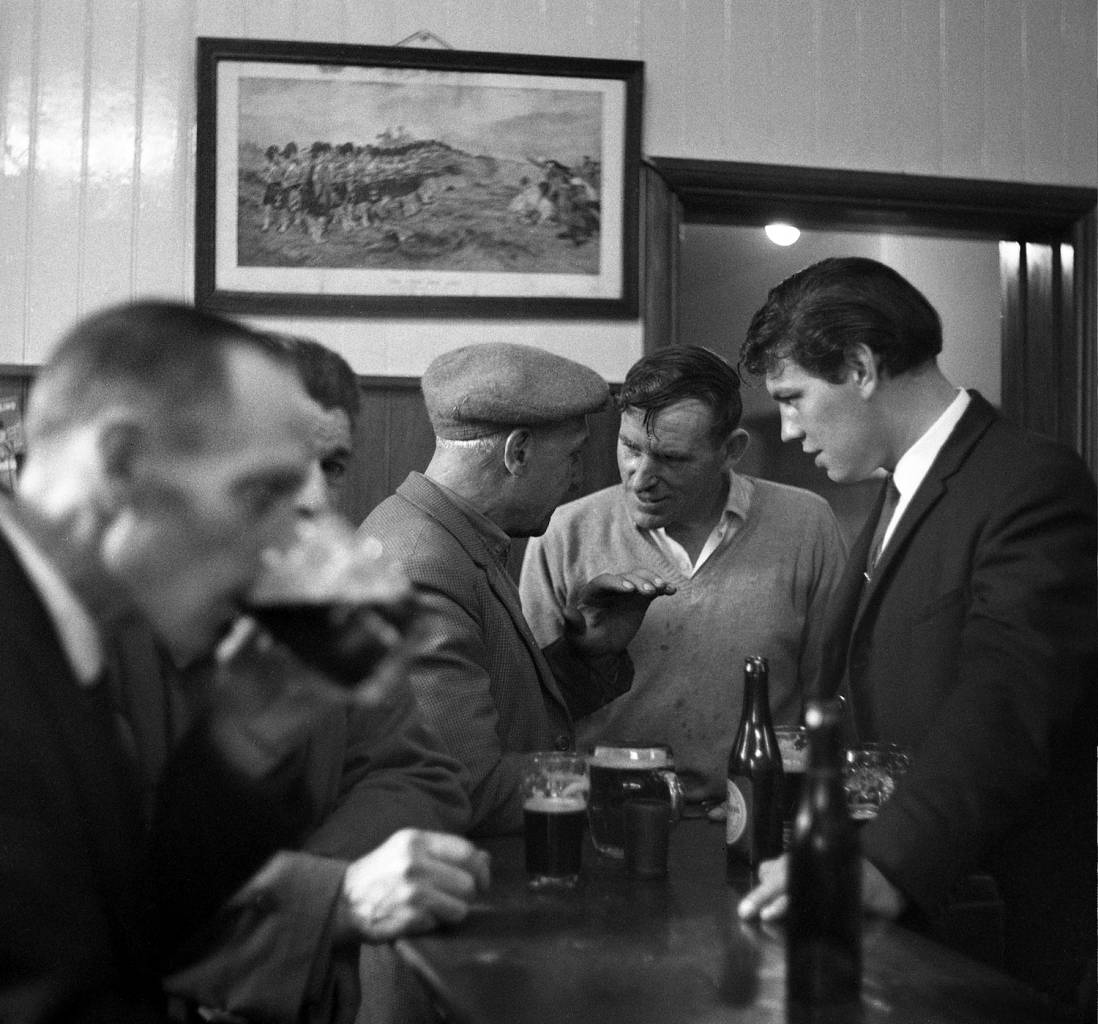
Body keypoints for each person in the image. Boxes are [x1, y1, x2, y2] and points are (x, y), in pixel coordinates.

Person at [0, 302, 487, 1024]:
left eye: (324, 474)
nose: (287, 541)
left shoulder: (64, 619)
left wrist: (240, 745)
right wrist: (335, 894)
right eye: (260, 494)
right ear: (121, 462)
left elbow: (119, 929)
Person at [734, 256, 1097, 1017]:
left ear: (861, 368)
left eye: (793, 398)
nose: (789, 430)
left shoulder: (1029, 482)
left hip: (988, 921)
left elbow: (1007, 702)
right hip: (898, 923)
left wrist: (884, 864)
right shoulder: (900, 488)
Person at [360, 342, 675, 836]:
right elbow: (466, 787)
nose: (577, 480)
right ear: (518, 452)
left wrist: (585, 656)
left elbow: (502, 713)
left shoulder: (449, 538)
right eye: (573, 456)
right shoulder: (422, 566)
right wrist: (629, 779)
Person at [520, 346, 845, 803]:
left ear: (731, 451)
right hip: (608, 813)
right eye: (630, 447)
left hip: (756, 812)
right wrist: (586, 657)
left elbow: (831, 698)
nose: (639, 477)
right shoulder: (564, 533)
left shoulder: (806, 524)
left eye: (671, 459)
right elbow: (528, 718)